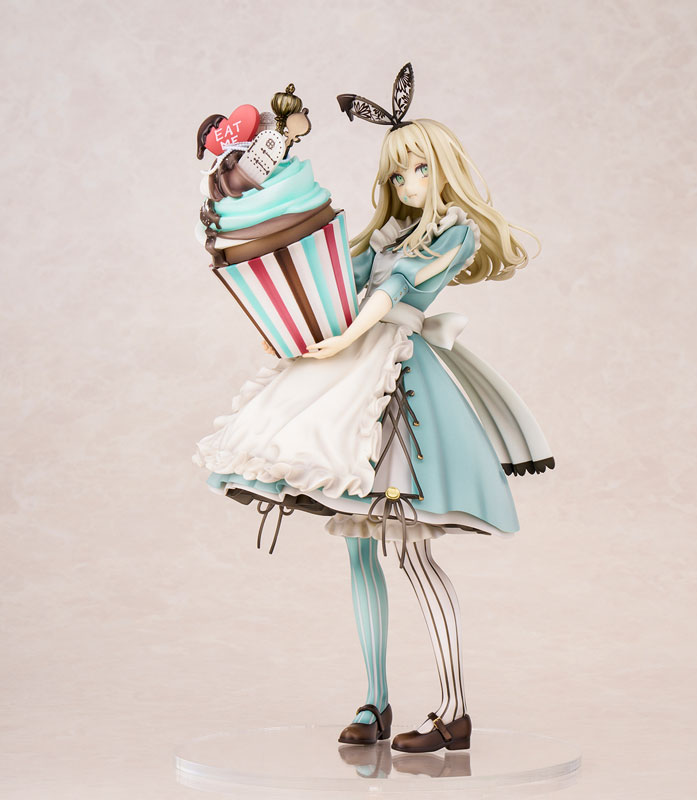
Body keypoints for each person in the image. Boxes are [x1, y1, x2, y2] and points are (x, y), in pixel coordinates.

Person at [194, 64, 554, 754]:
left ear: (443, 171)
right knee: (359, 552)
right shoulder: (386, 235)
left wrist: (346, 335)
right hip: (353, 373)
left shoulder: (452, 234)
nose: (407, 183)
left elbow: (393, 294)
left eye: (418, 170)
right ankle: (374, 702)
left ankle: (455, 710)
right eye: (396, 173)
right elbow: (342, 279)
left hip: (400, 388)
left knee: (411, 551)